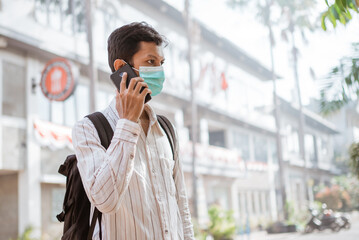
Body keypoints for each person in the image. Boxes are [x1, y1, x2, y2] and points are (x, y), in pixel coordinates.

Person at [72, 22, 195, 240]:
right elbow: (105, 201)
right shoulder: (88, 128)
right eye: (150, 62)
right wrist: (127, 124)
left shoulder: (166, 129)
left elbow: (181, 204)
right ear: (122, 68)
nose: (159, 71)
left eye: (161, 63)